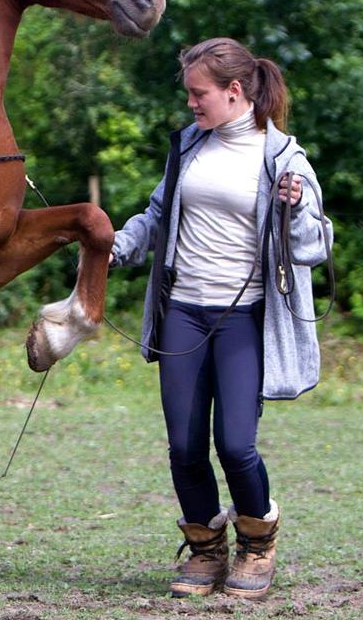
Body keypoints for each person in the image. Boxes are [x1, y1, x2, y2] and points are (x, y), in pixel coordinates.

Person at [108, 37, 333, 599]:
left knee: (235, 444)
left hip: (244, 319)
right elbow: (158, 214)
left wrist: (297, 205)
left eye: (197, 93)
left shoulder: (283, 159)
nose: (190, 104)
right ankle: (206, 549)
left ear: (234, 92)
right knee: (184, 446)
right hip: (183, 310)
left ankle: (257, 541)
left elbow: (315, 245)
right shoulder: (188, 145)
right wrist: (117, 245)